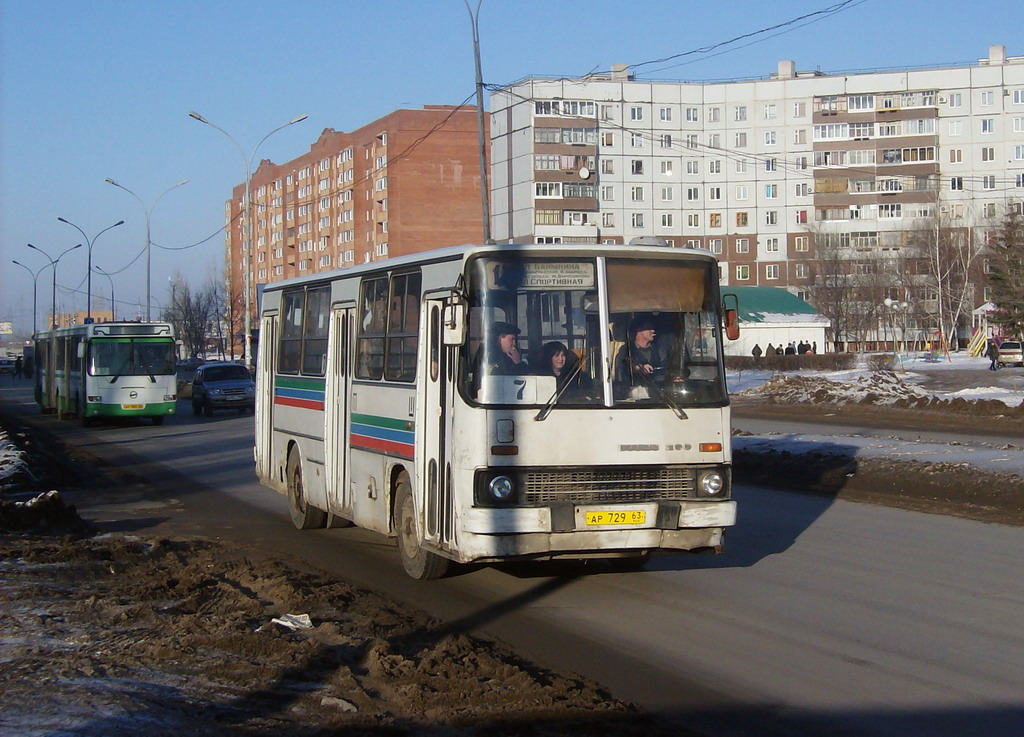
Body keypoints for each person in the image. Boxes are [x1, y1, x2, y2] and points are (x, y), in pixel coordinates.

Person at [615, 317, 664, 388]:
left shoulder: (658, 349)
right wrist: (638, 367)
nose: (653, 331)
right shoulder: (627, 349)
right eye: (649, 328)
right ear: (638, 330)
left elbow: (664, 368)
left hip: (656, 392)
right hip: (633, 391)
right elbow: (622, 365)